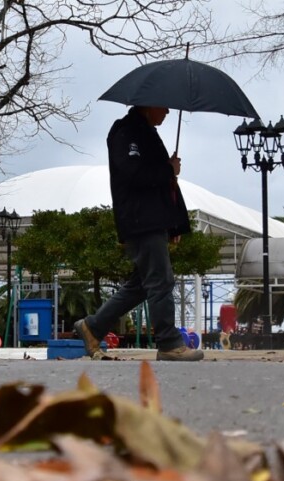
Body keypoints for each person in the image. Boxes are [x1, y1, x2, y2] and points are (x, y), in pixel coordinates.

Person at [74, 105, 204, 361]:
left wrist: (174, 221)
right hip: (140, 220)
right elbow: (133, 173)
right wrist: (168, 169)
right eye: (163, 105)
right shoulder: (127, 132)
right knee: (161, 280)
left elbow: (160, 185)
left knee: (141, 286)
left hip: (150, 219)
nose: (167, 111)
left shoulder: (145, 133)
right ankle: (169, 342)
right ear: (148, 104)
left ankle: (93, 326)